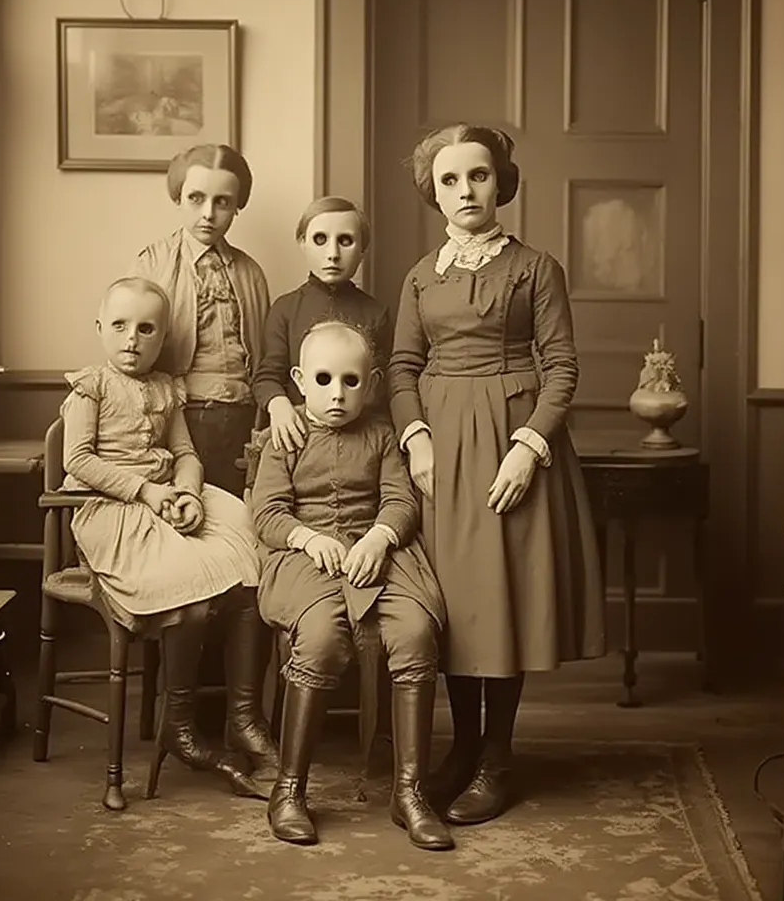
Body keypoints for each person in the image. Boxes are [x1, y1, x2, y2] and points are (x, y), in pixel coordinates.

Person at [388, 123, 606, 826]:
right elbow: (400, 368)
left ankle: (497, 758)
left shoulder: (536, 268)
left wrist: (529, 446)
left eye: (477, 176)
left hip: (512, 446)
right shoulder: (422, 275)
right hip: (442, 450)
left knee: (500, 602)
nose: (464, 192)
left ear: (500, 182)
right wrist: (416, 435)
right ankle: (462, 746)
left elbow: (563, 366)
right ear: (433, 191)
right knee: (454, 603)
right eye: (449, 180)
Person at [61, 276, 275, 792]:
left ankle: (243, 720)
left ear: (163, 337)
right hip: (112, 509)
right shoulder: (91, 386)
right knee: (191, 594)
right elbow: (77, 460)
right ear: (99, 328)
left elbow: (184, 454)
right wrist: (145, 493)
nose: (131, 338)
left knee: (253, 561)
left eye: (146, 328)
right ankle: (180, 728)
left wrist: (187, 493)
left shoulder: (166, 388)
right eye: (119, 325)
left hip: (165, 499)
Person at [251, 320, 452, 851]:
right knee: (319, 638)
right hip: (305, 557)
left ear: (374, 382)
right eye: (322, 379)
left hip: (376, 553)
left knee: (413, 633)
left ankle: (410, 793)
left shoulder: (383, 434)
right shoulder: (286, 435)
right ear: (298, 380)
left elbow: (401, 500)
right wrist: (304, 537)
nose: (336, 394)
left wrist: (382, 537)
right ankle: (289, 790)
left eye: (350, 381)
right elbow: (266, 512)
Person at [126, 143, 277, 771]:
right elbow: (136, 362)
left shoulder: (250, 271)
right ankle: (180, 715)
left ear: (239, 204)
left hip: (243, 427)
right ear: (178, 197)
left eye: (223, 200)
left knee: (252, 565)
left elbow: (267, 361)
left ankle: (243, 715)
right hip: (179, 428)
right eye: (196, 198)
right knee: (195, 565)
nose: (209, 212)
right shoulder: (154, 262)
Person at [252, 195, 393, 454]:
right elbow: (267, 376)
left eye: (346, 241)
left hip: (359, 441)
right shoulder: (285, 309)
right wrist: (278, 404)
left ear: (363, 250)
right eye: (320, 239)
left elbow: (381, 387)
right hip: (299, 439)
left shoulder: (375, 313)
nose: (333, 253)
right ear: (303, 243)